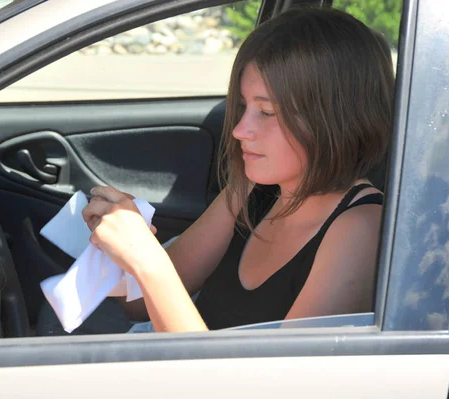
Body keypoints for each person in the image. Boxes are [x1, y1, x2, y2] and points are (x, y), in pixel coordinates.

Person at [80, 7, 395, 333]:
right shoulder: (255, 188)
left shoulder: (360, 229)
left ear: (335, 119)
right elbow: (140, 304)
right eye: (244, 107)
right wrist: (122, 247)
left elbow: (245, 382)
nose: (240, 130)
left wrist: (147, 260)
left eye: (268, 112)